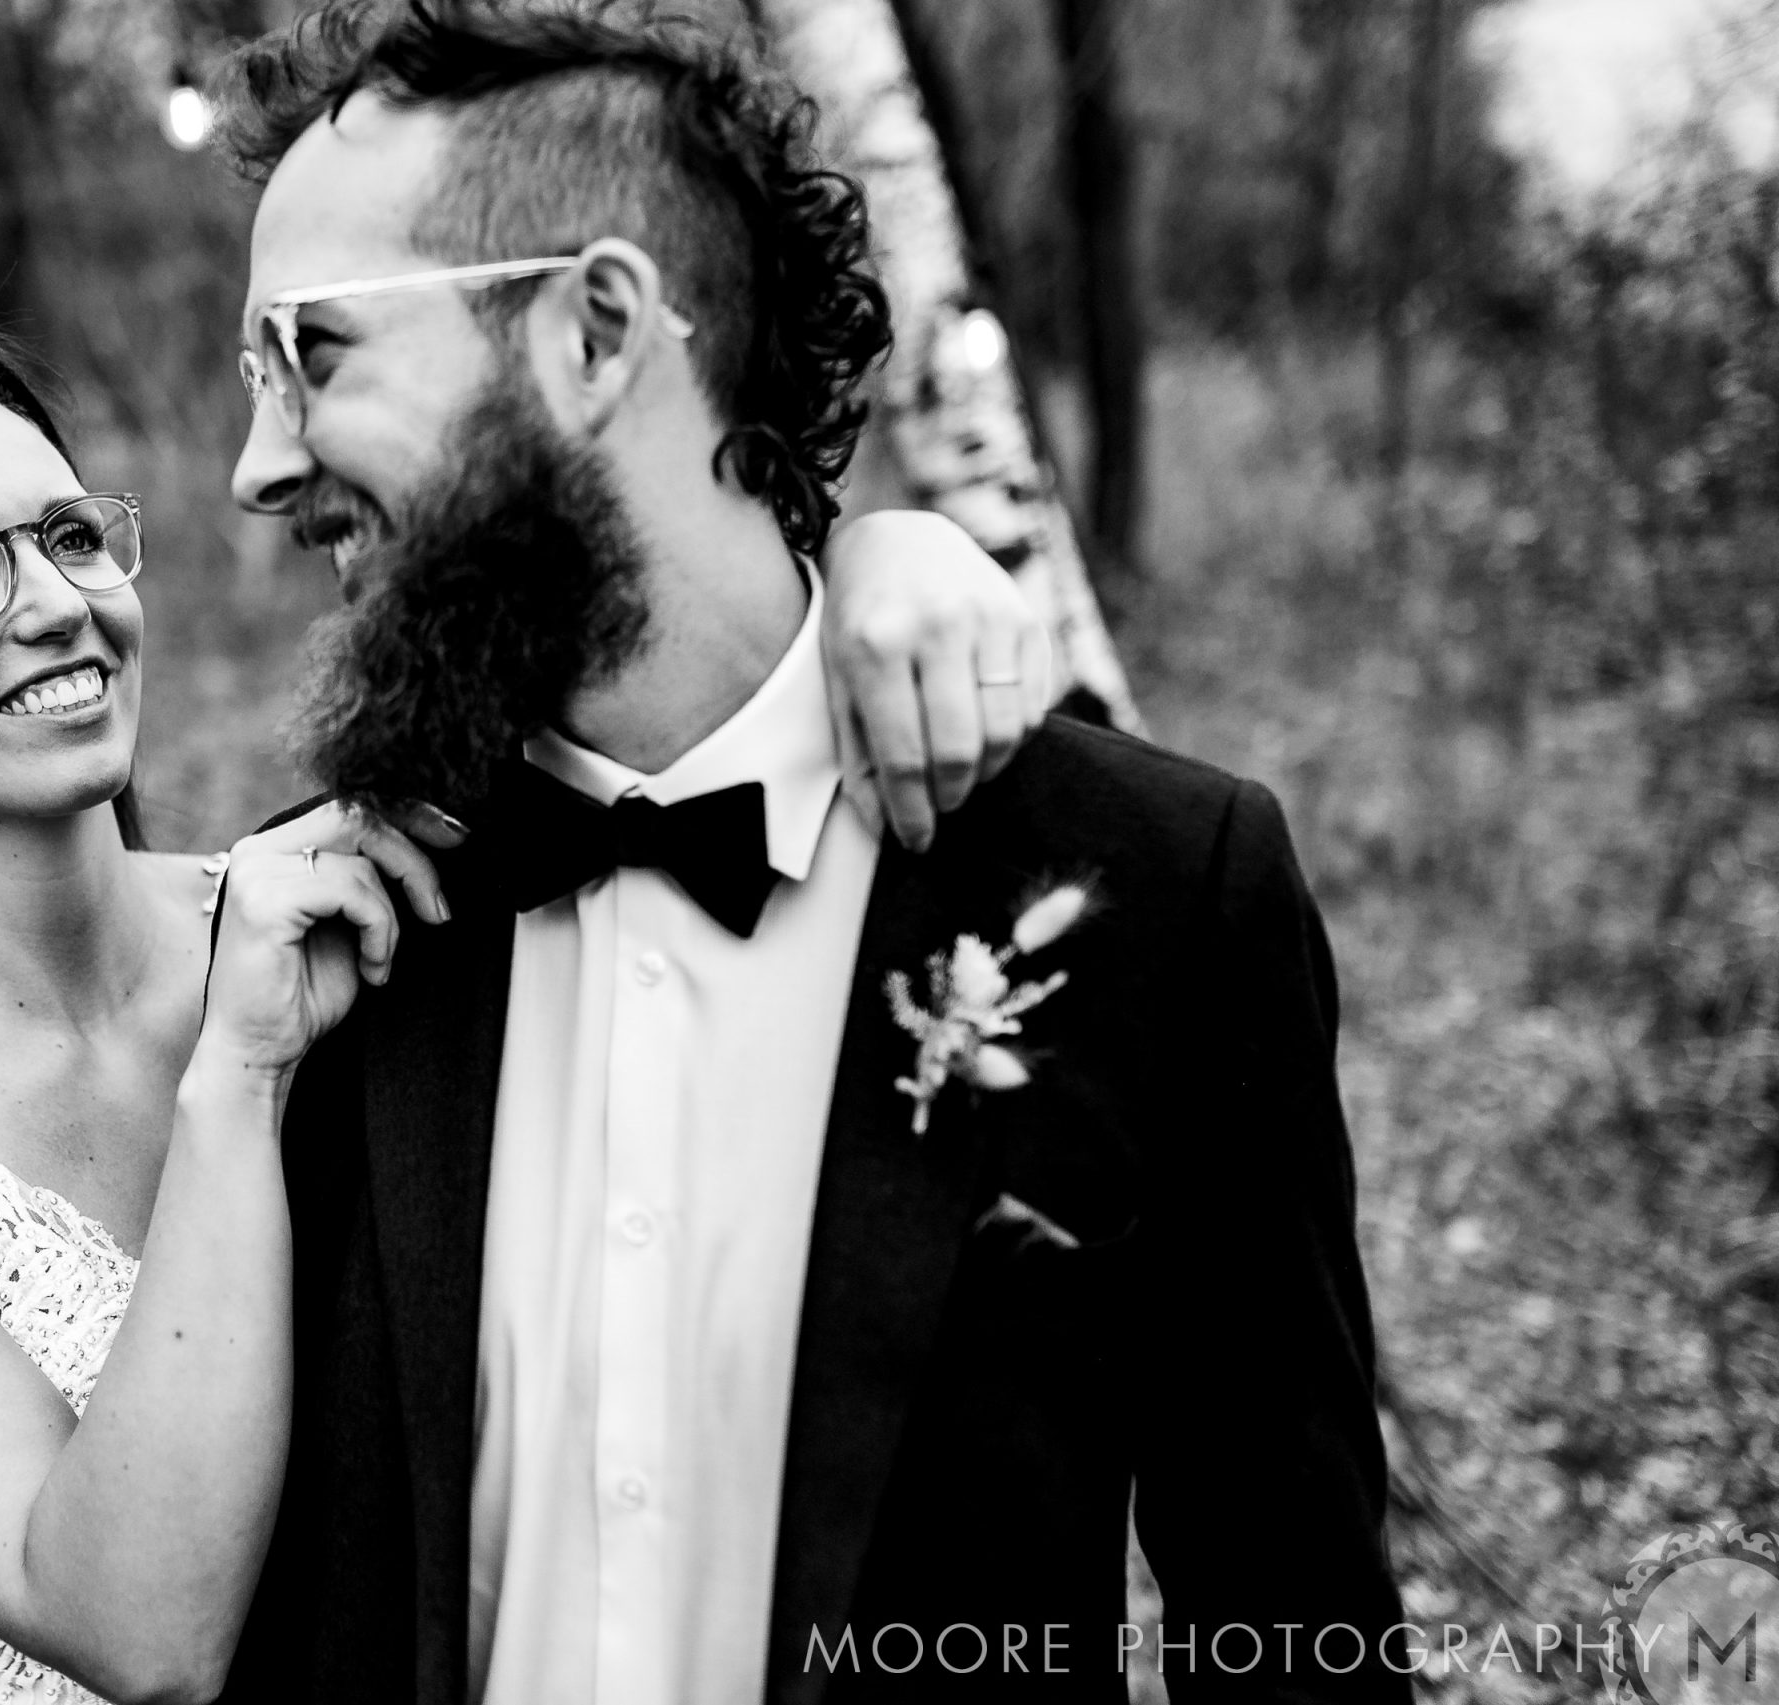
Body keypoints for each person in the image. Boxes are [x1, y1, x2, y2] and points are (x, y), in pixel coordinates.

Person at [211, 5, 1412, 1703]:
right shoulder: (315, 935)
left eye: (313, 354)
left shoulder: (1150, 887)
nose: (256, 467)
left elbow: (1290, 1628)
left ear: (595, 327)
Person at [0, 324, 1049, 1704]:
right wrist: (239, 1079)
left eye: (72, 538)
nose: (53, 603)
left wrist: (886, 563)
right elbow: (141, 1634)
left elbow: (647, 683)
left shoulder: (327, 908)